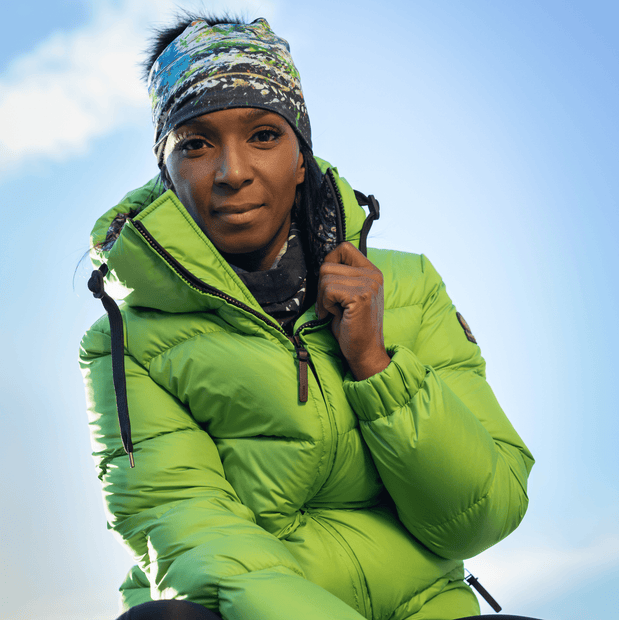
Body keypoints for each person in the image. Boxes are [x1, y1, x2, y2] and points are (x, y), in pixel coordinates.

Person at [79, 13, 536, 620]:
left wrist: (376, 366)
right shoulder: (125, 342)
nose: (232, 171)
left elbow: (480, 517)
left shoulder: (408, 287)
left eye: (264, 135)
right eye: (196, 143)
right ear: (165, 171)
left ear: (301, 158)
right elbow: (196, 538)